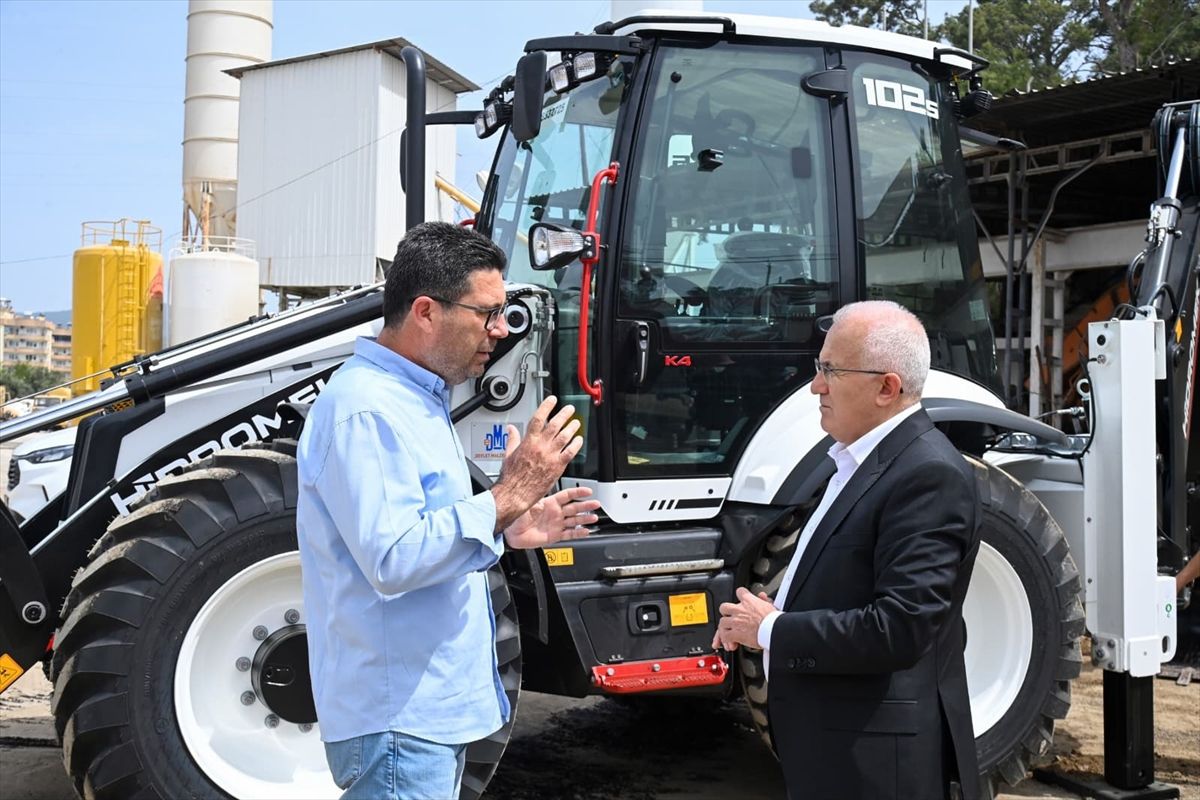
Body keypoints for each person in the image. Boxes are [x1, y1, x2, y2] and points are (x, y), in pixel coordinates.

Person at [296, 221, 601, 800]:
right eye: (487, 313)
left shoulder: (415, 399)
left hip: (422, 717)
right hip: (401, 721)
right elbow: (394, 557)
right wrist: (508, 495)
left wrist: (506, 526)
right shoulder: (368, 410)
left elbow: (422, 531)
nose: (500, 330)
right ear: (426, 312)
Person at [713, 300, 982, 800]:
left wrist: (770, 629)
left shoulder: (927, 475)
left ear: (887, 388)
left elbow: (899, 629)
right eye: (819, 368)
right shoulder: (858, 463)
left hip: (875, 768)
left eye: (831, 371)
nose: (816, 386)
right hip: (839, 753)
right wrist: (774, 613)